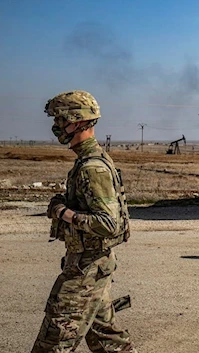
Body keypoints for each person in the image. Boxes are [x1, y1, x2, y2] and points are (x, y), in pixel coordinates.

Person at [32, 90, 136, 353]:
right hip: (91, 265)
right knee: (108, 341)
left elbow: (108, 224)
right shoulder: (88, 161)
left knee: (53, 342)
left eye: (60, 120)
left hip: (85, 269)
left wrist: (61, 212)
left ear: (77, 121)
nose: (56, 126)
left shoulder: (92, 167)